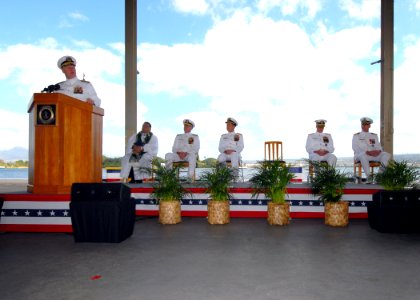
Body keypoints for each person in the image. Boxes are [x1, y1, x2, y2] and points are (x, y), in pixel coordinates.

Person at [352, 117, 391, 181]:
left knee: (387, 155)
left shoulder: (374, 136)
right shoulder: (356, 136)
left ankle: (379, 176)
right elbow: (355, 148)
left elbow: (379, 146)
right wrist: (367, 152)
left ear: (369, 126)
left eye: (366, 125)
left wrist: (378, 151)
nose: (364, 126)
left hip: (374, 155)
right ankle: (368, 177)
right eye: (363, 124)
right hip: (362, 155)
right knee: (363, 155)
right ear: (361, 125)